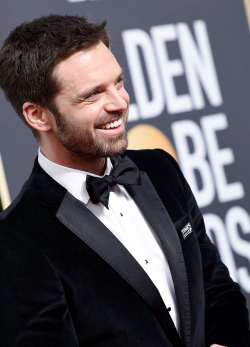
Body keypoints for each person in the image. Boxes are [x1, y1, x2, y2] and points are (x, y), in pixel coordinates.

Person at [0, 15, 249, 347]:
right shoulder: (17, 240)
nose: (119, 103)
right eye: (92, 95)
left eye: (118, 82)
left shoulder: (160, 170)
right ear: (38, 115)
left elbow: (216, 288)